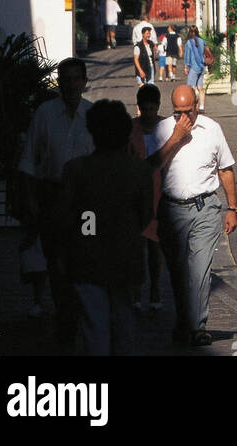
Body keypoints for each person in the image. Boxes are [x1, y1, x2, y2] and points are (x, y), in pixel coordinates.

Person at [146, 84, 237, 348]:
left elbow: (226, 170)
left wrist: (232, 208)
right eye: (177, 113)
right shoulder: (163, 130)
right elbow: (151, 166)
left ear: (197, 105)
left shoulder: (212, 130)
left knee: (199, 269)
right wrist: (175, 137)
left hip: (205, 207)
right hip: (172, 209)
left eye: (188, 111)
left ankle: (197, 326)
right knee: (177, 271)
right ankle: (185, 322)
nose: (184, 118)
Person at [61, 100, 154, 356]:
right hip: (126, 258)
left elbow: (69, 217)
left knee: (94, 327)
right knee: (124, 324)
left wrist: (87, 232)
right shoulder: (139, 170)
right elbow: (146, 215)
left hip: (87, 259)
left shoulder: (76, 170)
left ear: (92, 132)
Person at [18, 57, 94, 341]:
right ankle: (67, 321)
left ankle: (82, 318)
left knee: (86, 258)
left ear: (85, 83)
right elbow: (28, 163)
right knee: (58, 263)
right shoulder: (45, 114)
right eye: (67, 79)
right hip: (53, 199)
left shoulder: (93, 115)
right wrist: (32, 205)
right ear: (59, 83)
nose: (72, 84)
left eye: (77, 79)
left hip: (87, 206)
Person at [128, 85, 164, 312]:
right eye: (145, 109)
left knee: (155, 247)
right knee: (137, 247)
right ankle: (137, 291)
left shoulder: (167, 127)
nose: (150, 114)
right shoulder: (131, 129)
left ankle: (155, 289)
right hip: (136, 196)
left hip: (161, 194)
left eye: (153, 109)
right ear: (139, 108)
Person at [183, 26, 208, 112]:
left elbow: (187, 56)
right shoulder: (202, 41)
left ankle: (194, 105)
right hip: (201, 66)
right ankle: (202, 106)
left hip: (193, 67)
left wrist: (186, 67)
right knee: (200, 87)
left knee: (192, 88)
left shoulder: (189, 43)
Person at [134, 26, 155, 92]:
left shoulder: (151, 44)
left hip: (150, 67)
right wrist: (140, 71)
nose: (148, 35)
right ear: (143, 34)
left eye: (149, 33)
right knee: (142, 88)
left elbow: (152, 56)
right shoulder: (138, 46)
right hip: (142, 68)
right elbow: (136, 60)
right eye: (147, 33)